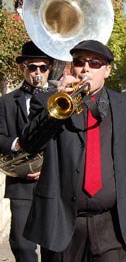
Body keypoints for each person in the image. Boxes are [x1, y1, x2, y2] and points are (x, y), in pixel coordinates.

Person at [19, 40, 126, 261]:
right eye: (79, 62)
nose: (85, 69)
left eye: (95, 63)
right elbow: (28, 143)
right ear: (71, 67)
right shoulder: (47, 101)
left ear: (107, 70)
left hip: (116, 226)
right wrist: (56, 108)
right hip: (63, 224)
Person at [0, 41, 52, 262]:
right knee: (21, 245)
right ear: (23, 68)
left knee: (54, 244)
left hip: (53, 182)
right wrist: (18, 145)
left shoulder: (60, 99)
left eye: (43, 67)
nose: (38, 72)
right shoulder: (6, 102)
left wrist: (46, 167)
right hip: (21, 184)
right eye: (32, 67)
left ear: (49, 68)